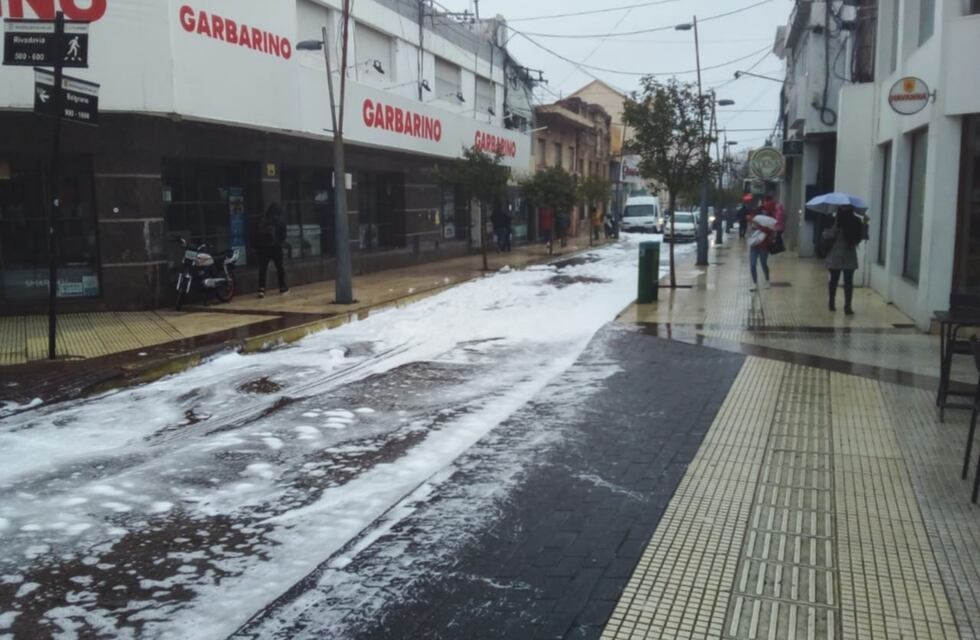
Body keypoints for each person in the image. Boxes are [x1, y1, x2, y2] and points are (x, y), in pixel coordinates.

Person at [824, 205, 865, 315]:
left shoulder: (848, 221)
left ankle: (840, 304)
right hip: (843, 254)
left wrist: (865, 225)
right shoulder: (850, 221)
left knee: (840, 281)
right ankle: (840, 304)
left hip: (841, 254)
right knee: (842, 281)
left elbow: (827, 236)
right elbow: (860, 238)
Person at [256, 202, 288, 298]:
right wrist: (279, 241)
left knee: (263, 269)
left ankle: (261, 289)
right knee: (280, 267)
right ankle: (282, 287)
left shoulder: (263, 220)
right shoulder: (280, 221)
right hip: (276, 247)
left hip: (264, 248)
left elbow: (257, 234)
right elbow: (284, 236)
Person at [747, 209, 774, 292]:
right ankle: (754, 283)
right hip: (754, 247)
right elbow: (749, 234)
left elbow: (770, 233)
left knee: (763, 263)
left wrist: (760, 227)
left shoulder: (767, 225)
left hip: (763, 247)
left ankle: (767, 280)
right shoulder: (751, 224)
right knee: (752, 264)